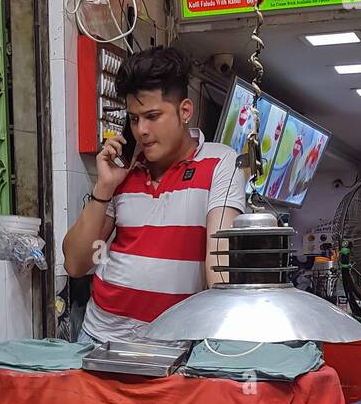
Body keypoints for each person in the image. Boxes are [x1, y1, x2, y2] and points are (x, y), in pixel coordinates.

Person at [62, 46, 245, 345]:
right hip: (98, 338)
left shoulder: (219, 163)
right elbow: (76, 263)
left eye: (152, 116)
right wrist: (104, 188)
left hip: (172, 345)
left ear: (185, 111)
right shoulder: (124, 171)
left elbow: (219, 270)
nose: (141, 131)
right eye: (134, 119)